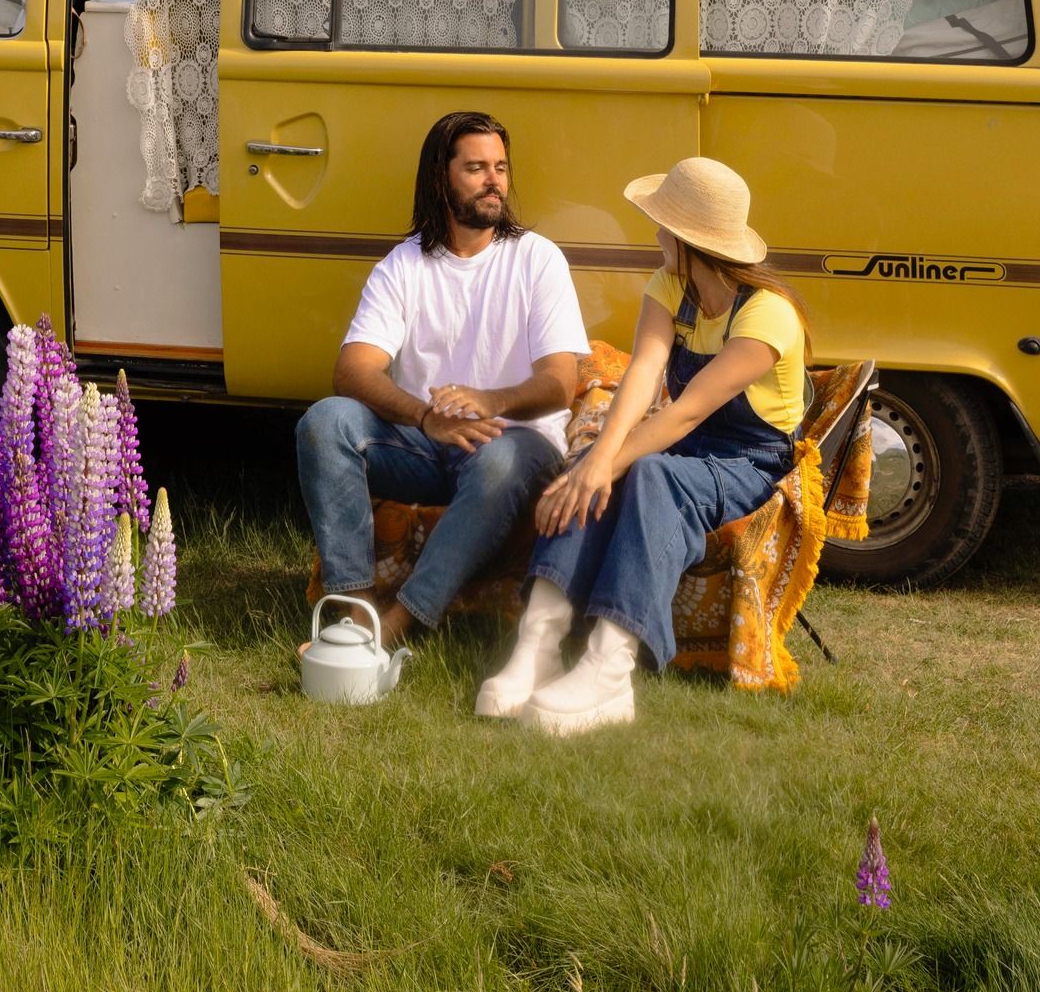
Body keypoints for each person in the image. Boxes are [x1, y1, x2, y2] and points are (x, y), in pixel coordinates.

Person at [477, 155, 806, 736]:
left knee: (649, 474)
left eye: (662, 225)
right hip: (689, 443)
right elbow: (643, 376)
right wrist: (596, 460)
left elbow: (687, 411)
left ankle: (610, 668)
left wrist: (608, 460)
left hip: (747, 460)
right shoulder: (671, 286)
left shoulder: (768, 315)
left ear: (687, 239)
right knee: (596, 465)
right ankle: (539, 643)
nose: (654, 234)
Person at [296, 112, 589, 653]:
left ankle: (399, 624)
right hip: (428, 446)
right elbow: (352, 370)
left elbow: (559, 384)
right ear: (441, 178)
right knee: (325, 422)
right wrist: (426, 418)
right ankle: (355, 611)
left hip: (513, 447)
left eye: (500, 167)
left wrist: (488, 402)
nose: (494, 180)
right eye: (476, 168)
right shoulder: (403, 266)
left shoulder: (537, 259)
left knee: (500, 459)